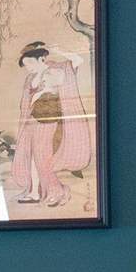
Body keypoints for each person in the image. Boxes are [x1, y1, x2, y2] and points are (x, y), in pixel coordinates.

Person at [13, 41, 93, 206]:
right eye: (26, 64)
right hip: (32, 121)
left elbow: (78, 60)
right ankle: (35, 191)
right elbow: (27, 102)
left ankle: (58, 191)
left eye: (30, 63)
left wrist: (59, 49)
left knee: (43, 157)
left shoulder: (57, 70)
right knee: (31, 158)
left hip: (49, 121)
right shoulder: (31, 78)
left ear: (41, 58)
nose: (28, 67)